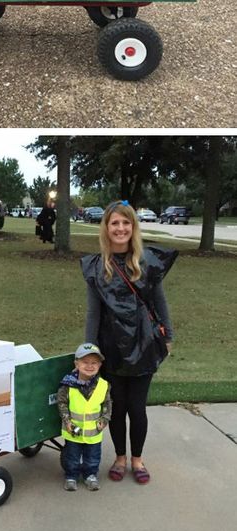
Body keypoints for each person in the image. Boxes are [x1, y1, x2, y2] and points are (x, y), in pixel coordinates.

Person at [80, 200, 177, 485]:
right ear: (106, 228)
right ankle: (120, 457)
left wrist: (168, 336)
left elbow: (160, 302)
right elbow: (92, 313)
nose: (120, 228)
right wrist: (90, 351)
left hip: (145, 344)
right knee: (117, 407)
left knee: (137, 407)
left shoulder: (147, 262)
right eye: (115, 223)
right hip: (111, 348)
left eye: (126, 223)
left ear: (132, 227)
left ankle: (137, 458)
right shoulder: (97, 268)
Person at [57, 343, 111, 492]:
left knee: (93, 456)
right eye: (85, 362)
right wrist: (66, 420)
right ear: (76, 363)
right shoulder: (67, 384)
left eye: (94, 362)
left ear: (100, 365)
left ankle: (90, 475)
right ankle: (71, 476)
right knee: (72, 456)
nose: (90, 366)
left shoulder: (103, 385)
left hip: (94, 432)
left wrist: (105, 418)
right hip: (73, 431)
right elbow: (62, 403)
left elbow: (107, 404)